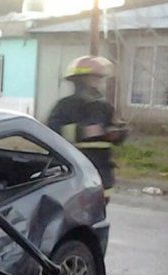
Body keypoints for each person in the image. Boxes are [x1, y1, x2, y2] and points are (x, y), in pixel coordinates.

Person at [47, 56, 127, 196]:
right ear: (79, 80)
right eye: (93, 78)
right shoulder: (64, 106)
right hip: (75, 168)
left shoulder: (106, 107)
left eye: (99, 78)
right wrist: (84, 131)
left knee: (99, 210)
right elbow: (52, 131)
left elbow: (119, 131)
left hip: (102, 171)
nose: (98, 82)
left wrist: (118, 134)